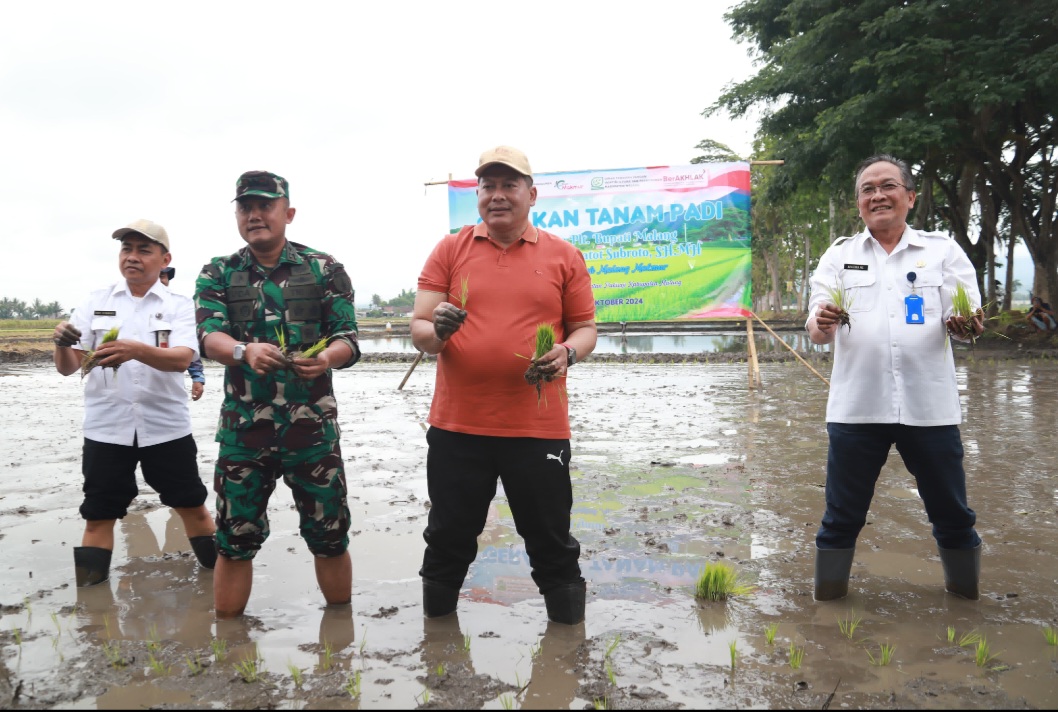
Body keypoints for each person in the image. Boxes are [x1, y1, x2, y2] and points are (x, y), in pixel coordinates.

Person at [411, 146, 598, 624]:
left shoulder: (563, 255)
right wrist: (439, 330)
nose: (497, 195)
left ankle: (567, 643)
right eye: (487, 186)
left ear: (531, 194)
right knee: (449, 535)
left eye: (508, 185)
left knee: (551, 539)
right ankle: (438, 644)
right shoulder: (450, 249)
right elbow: (420, 330)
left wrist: (568, 353)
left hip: (537, 429)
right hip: (458, 427)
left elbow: (585, 328)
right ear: (477, 195)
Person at [806, 154, 984, 601]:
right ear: (859, 203)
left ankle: (965, 601)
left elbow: (964, 321)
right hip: (856, 408)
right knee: (840, 515)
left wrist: (967, 325)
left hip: (931, 408)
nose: (877, 195)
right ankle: (827, 606)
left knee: (952, 513)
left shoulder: (942, 252)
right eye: (867, 189)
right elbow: (815, 329)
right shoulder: (839, 255)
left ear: (909, 196)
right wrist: (822, 323)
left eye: (887, 186)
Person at [194, 170, 360, 618]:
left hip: (313, 432)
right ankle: (229, 643)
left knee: (329, 537)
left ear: (287, 212)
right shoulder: (218, 272)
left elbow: (348, 337)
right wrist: (243, 351)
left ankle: (339, 643)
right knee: (233, 541)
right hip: (244, 433)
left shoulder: (324, 269)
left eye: (265, 205)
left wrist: (326, 359)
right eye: (245, 207)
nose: (254, 215)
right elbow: (209, 336)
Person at [52, 219, 217, 587]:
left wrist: (135, 350)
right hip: (107, 429)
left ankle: (217, 585)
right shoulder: (96, 301)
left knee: (191, 504)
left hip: (166, 428)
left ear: (164, 258)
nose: (133, 257)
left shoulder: (179, 305)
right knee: (97, 514)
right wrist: (62, 344)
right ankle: (93, 607)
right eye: (127, 249)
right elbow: (68, 368)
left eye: (144, 250)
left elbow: (181, 358)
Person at [159, 266, 206, 401]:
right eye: (156, 276)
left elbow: (189, 347)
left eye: (163, 277)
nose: (160, 281)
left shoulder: (181, 307)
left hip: (169, 389)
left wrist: (197, 378)